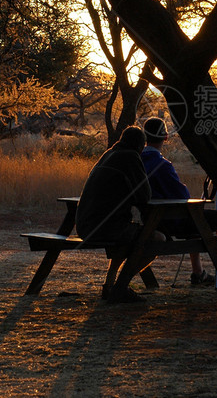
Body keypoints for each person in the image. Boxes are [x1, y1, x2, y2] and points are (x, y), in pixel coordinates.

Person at [141, 117, 217, 285]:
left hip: (151, 220)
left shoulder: (139, 162)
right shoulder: (162, 165)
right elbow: (182, 196)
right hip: (170, 221)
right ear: (165, 137)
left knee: (195, 218)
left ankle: (198, 273)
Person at [75, 126, 163, 302]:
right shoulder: (130, 156)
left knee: (130, 238)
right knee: (157, 239)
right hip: (107, 228)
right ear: (141, 146)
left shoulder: (109, 154)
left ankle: (110, 285)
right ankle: (120, 287)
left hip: (86, 226)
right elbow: (145, 195)